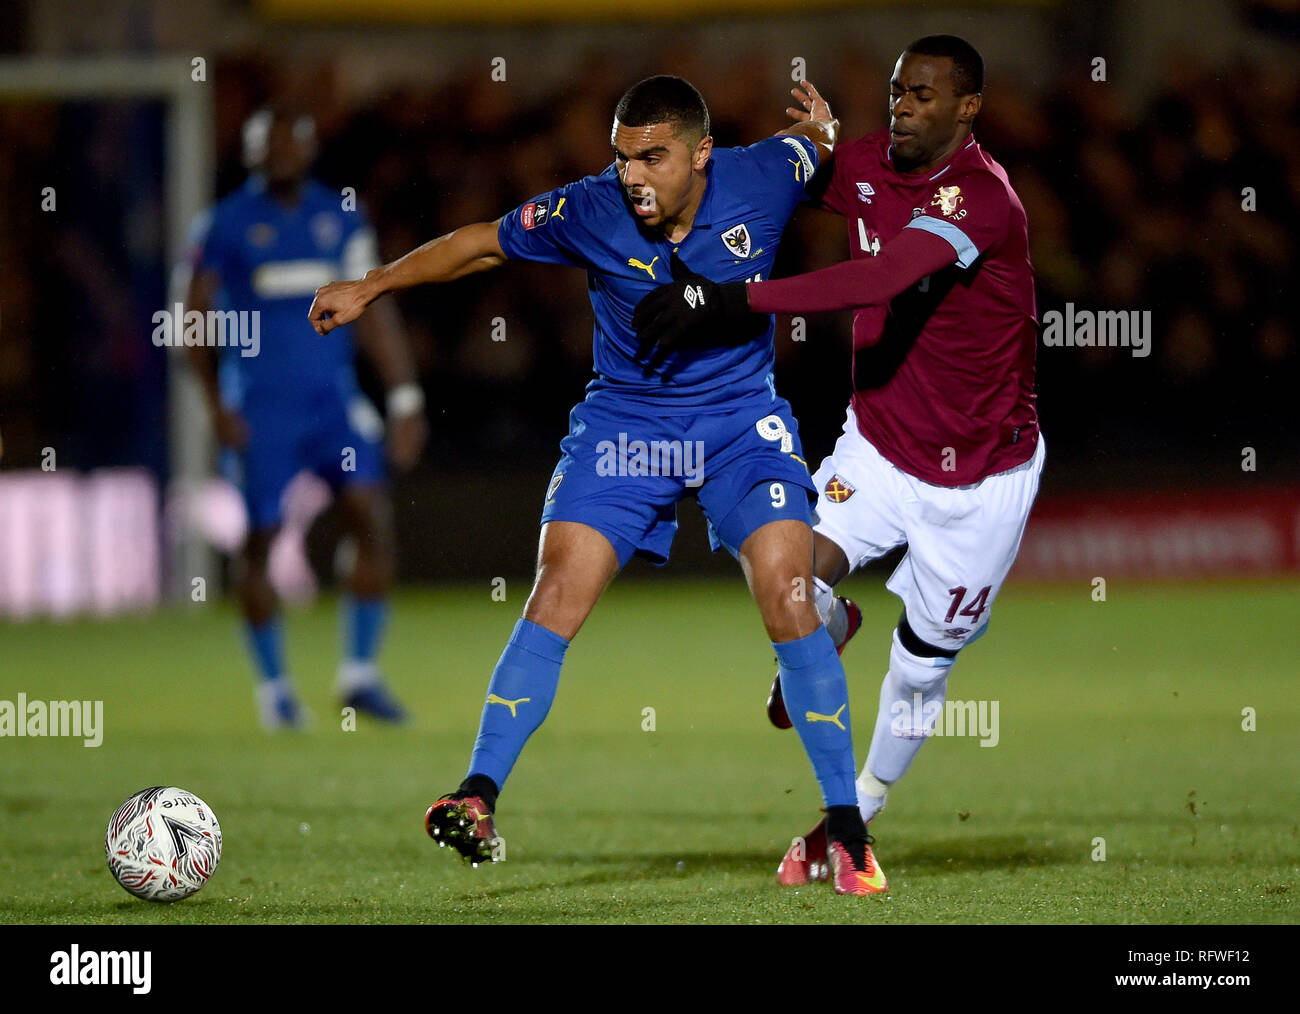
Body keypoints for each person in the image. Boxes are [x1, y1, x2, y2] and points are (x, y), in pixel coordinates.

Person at [309, 75, 885, 895]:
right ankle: (477, 794)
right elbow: (479, 242)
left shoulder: (765, 174)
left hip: (737, 423)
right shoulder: (588, 209)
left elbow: (822, 153)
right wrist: (372, 285)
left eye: (653, 157)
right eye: (623, 158)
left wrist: (828, 130)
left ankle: (847, 830)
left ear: (701, 154)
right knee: (555, 593)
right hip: (627, 428)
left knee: (788, 596)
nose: (634, 177)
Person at [633, 37, 1044, 893]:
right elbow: (762, 184)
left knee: (925, 667)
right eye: (898, 90)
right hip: (882, 446)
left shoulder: (982, 200)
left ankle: (851, 814)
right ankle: (825, 623)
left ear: (968, 108)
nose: (903, 106)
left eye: (925, 95)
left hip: (983, 481)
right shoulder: (860, 167)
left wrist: (729, 297)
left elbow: (881, 278)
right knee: (783, 572)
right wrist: (700, 170)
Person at [184, 103, 427, 729]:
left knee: (371, 517)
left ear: (310, 150)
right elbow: (193, 320)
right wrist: (216, 405)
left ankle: (359, 675)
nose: (281, 156)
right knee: (261, 540)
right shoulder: (225, 224)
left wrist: (402, 397)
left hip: (332, 402)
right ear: (250, 154)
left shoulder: (339, 215)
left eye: (291, 144)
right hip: (263, 408)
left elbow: (374, 307)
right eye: (269, 146)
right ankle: (275, 693)